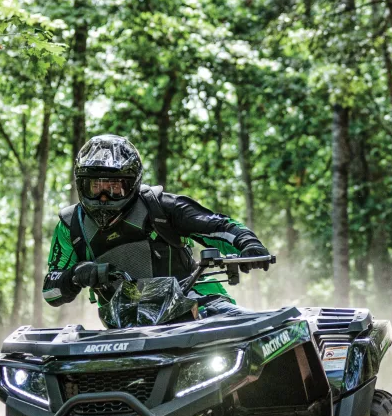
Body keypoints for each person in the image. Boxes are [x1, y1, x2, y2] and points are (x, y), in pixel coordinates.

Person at [42, 134, 269, 322]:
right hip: (127, 321)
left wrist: (248, 243)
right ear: (81, 185)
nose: (104, 197)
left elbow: (218, 225)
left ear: (133, 183)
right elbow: (51, 292)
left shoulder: (161, 206)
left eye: (114, 187)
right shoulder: (71, 225)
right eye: (96, 187)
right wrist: (75, 275)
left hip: (197, 301)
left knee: (243, 326)